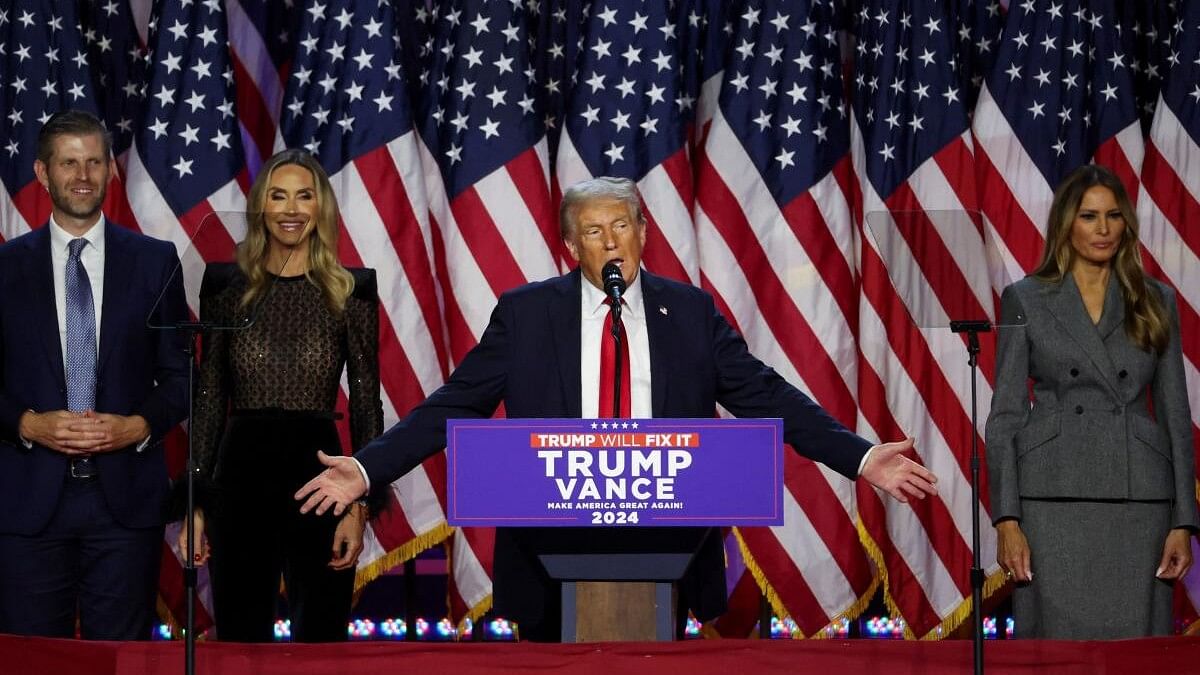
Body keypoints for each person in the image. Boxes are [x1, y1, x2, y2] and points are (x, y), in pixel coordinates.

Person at [295, 176, 937, 640]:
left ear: (644, 234)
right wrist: (368, 469)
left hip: (668, 542)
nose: (612, 241)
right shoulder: (525, 313)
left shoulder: (689, 312)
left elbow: (763, 392)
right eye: (595, 231)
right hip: (551, 544)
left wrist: (859, 456)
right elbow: (455, 403)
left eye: (622, 225)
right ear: (572, 246)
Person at [0, 110, 191, 639]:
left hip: (124, 504)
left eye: (94, 162)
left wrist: (139, 426)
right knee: (33, 662)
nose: (82, 175)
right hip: (27, 501)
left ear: (110, 170)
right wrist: (27, 424)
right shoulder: (6, 268)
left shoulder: (155, 261)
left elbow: (182, 375)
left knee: (121, 660)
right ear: (42, 173)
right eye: (68, 163)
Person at [178, 149, 383, 642]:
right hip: (241, 474)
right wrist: (197, 503)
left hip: (323, 476)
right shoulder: (226, 285)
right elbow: (208, 395)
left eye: (304, 196)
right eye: (278, 195)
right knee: (241, 635)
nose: (291, 209)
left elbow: (364, 400)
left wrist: (359, 508)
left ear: (321, 208)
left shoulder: (351, 289)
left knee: (322, 636)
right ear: (260, 207)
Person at [986, 164, 1198, 639]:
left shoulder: (1156, 300)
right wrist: (1007, 517)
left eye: (1113, 216)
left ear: (1127, 223)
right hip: (1050, 498)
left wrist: (1184, 520)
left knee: (1136, 653)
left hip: (1139, 501)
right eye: (1088, 216)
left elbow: (1175, 415)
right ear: (1066, 223)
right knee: (1055, 652)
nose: (1103, 229)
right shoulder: (1025, 298)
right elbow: (1005, 416)